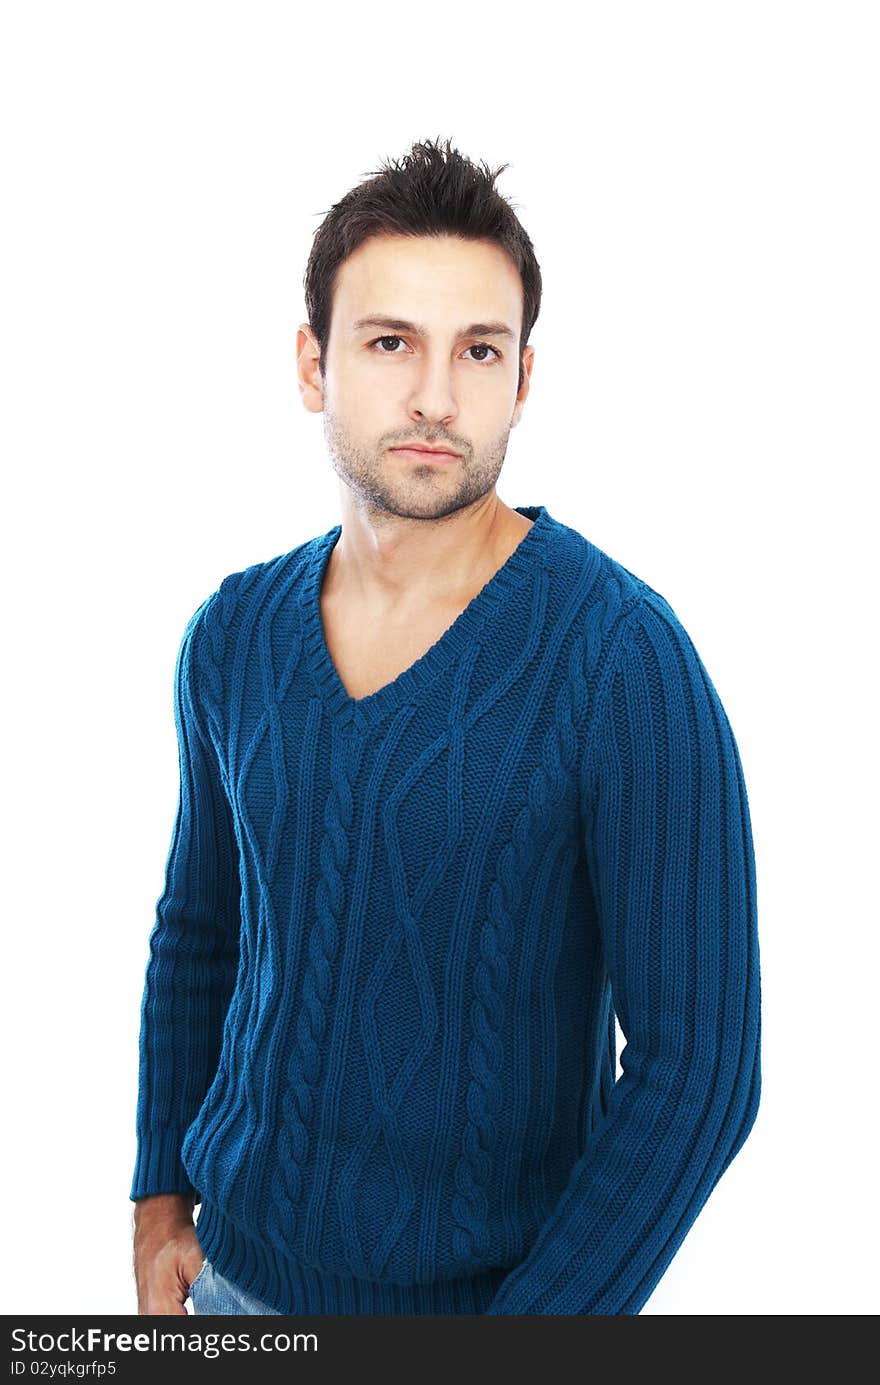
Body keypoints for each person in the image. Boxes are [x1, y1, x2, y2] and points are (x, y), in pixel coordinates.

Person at [130, 137, 762, 1317]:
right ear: (313, 364)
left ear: (523, 378)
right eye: (389, 344)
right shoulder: (230, 633)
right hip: (224, 1293)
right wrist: (159, 1193)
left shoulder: (620, 658)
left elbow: (700, 1074)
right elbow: (198, 932)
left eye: (479, 349)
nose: (435, 394)